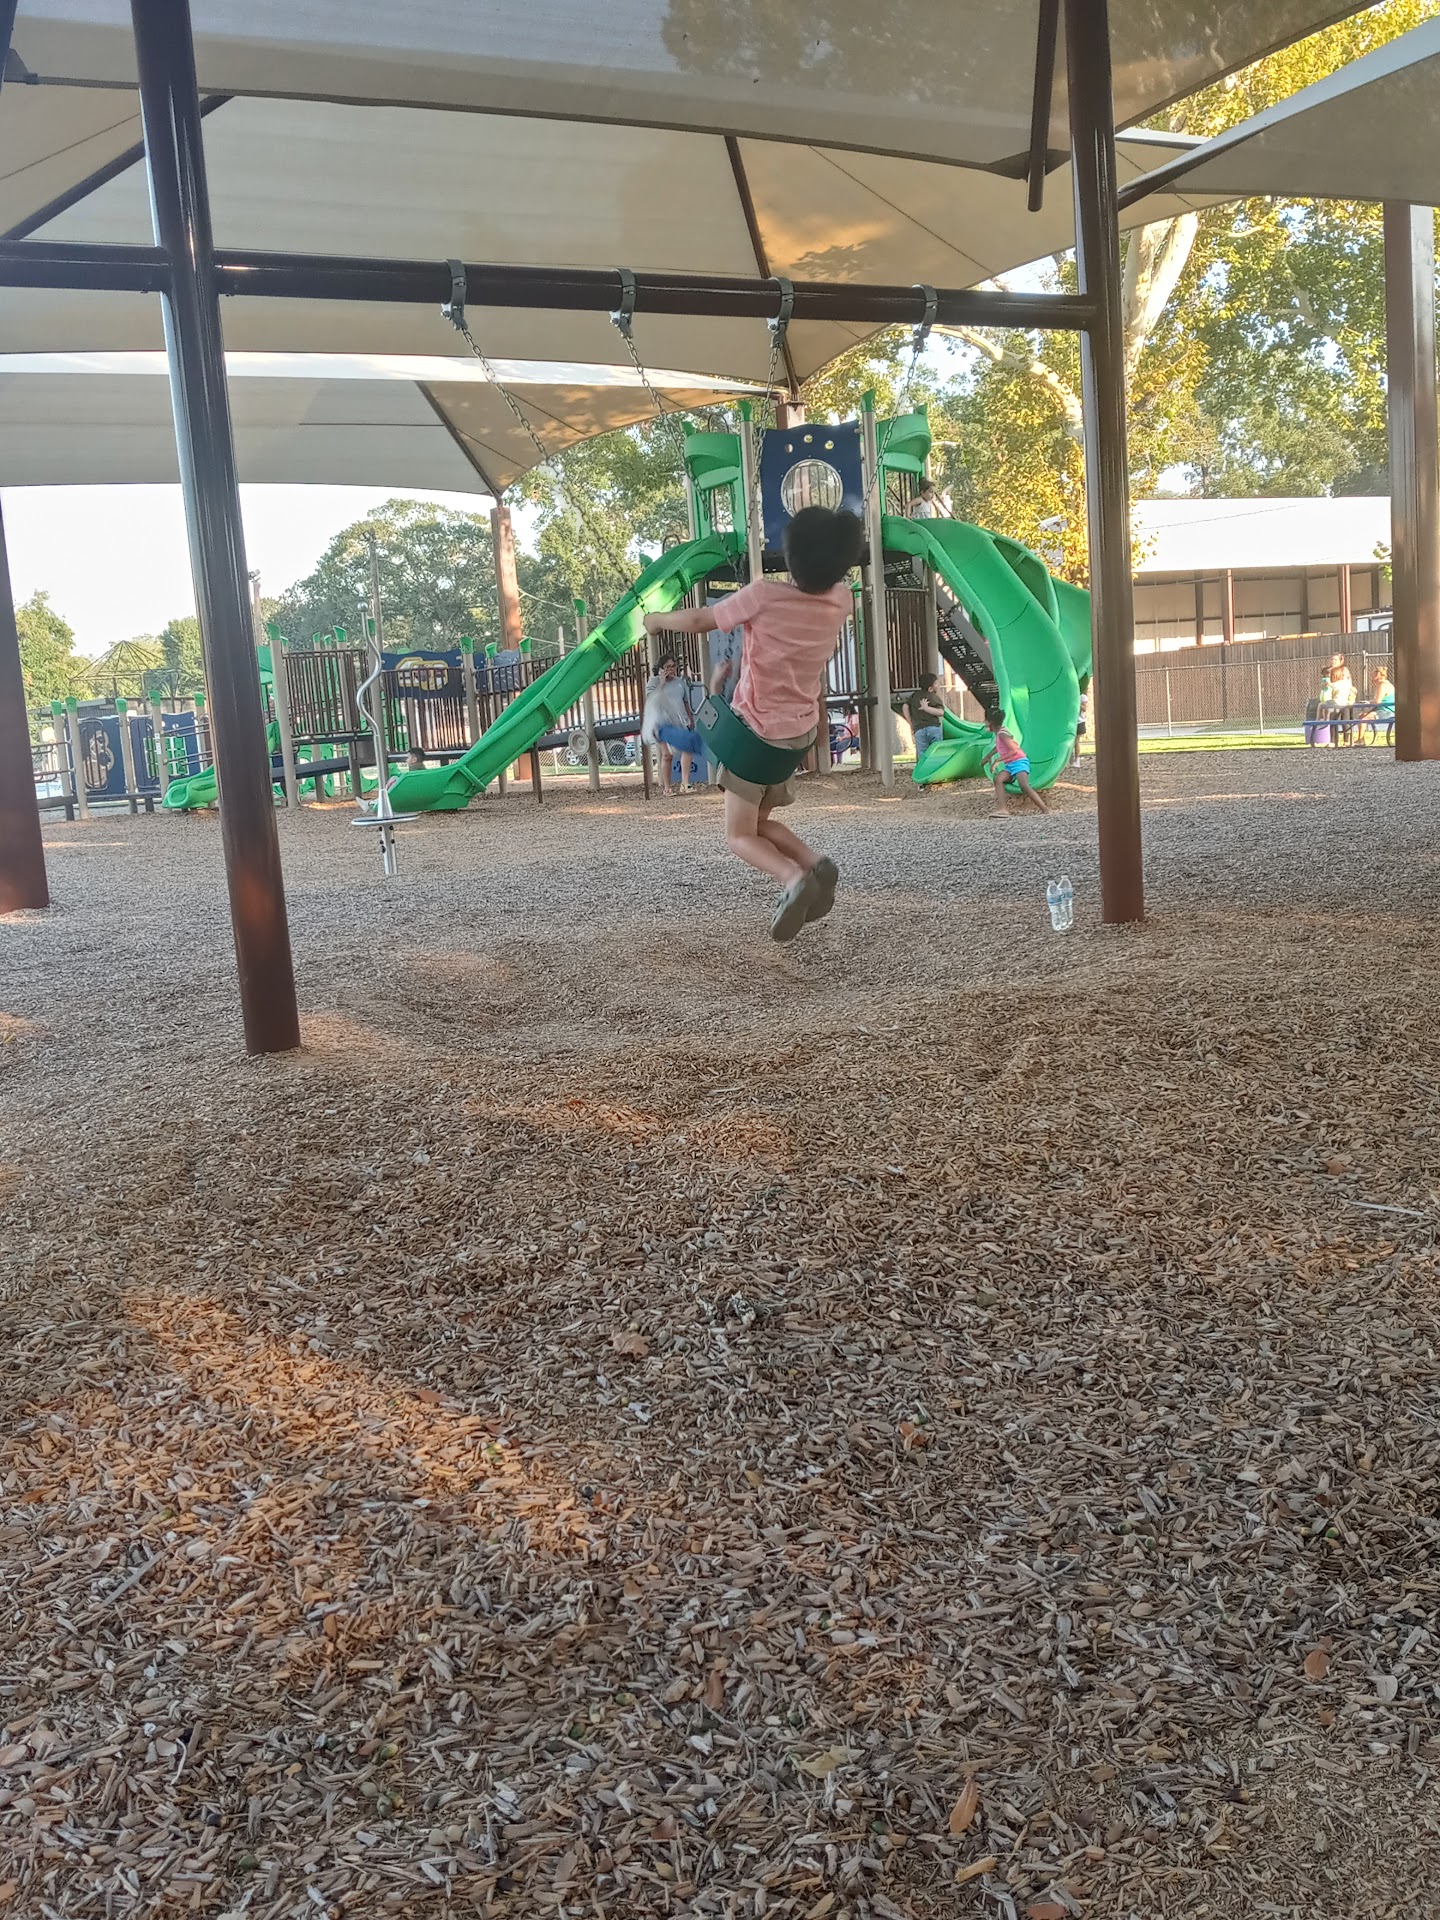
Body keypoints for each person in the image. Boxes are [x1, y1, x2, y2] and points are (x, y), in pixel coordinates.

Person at [643, 505, 863, 941]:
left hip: (755, 739)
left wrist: (656, 621)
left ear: (790, 558)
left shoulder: (763, 596)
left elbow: (700, 620)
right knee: (758, 825)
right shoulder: (842, 600)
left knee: (738, 837)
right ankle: (814, 862)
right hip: (796, 736)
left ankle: (793, 879)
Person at [642, 653, 703, 793]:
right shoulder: (653, 682)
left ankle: (685, 783)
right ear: (660, 668)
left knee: (687, 749)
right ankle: (667, 787)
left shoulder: (679, 682)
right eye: (667, 667)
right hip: (661, 723)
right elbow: (652, 698)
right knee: (667, 755)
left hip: (680, 720)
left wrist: (690, 717)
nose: (671, 669)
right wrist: (662, 682)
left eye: (673, 666)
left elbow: (685, 701)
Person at [984, 706, 1047, 816]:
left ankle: (1045, 809)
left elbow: (1013, 750)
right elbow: (999, 747)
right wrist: (988, 756)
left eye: (985, 721)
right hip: (1010, 765)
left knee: (1024, 786)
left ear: (990, 723)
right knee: (998, 779)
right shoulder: (999, 733)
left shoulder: (1002, 734)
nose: (984, 723)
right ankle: (1003, 809)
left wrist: (997, 761)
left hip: (1019, 762)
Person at [905, 672, 946, 775]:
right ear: (930, 689)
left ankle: (923, 774)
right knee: (936, 751)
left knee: (922, 754)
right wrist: (927, 708)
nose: (938, 685)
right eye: (936, 683)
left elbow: (905, 707)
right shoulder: (933, 697)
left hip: (919, 729)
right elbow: (941, 712)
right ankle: (936, 773)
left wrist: (910, 721)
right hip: (934, 727)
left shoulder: (914, 696)